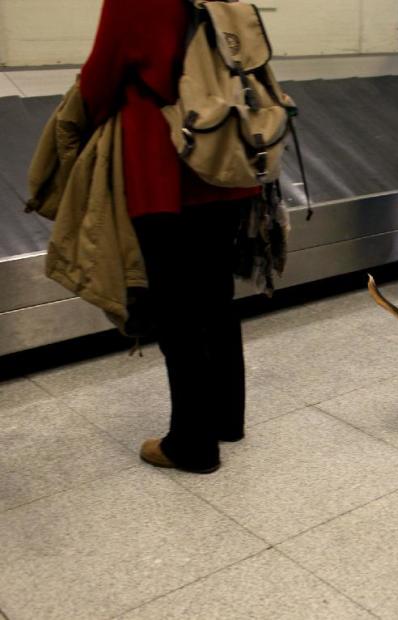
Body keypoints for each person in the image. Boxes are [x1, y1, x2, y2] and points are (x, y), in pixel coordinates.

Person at [81, 0, 260, 474]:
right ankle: (227, 419)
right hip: (227, 157)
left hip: (166, 169)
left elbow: (102, 76)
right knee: (217, 298)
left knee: (178, 313)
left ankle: (192, 444)